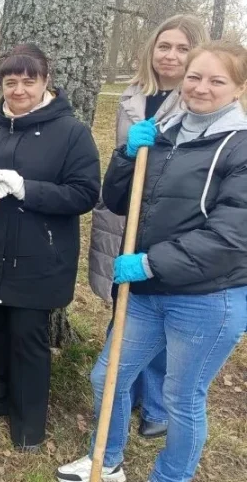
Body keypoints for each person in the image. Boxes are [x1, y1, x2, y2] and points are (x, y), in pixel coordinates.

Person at [57, 41, 247, 482]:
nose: (201, 87)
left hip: (207, 298)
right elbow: (118, 199)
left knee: (182, 398)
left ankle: (170, 477)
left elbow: (232, 236)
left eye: (217, 81)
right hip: (147, 291)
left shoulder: (240, 148)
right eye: (194, 77)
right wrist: (127, 155)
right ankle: (107, 460)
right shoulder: (163, 133)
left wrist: (150, 263)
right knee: (108, 377)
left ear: (239, 88)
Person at [0, 44, 100, 451]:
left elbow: (85, 193)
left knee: (28, 337)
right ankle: (3, 390)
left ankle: (29, 420)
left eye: (28, 82)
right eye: (10, 82)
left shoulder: (71, 133)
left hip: (38, 257)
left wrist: (26, 189)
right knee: (0, 329)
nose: (18, 90)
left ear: (46, 81)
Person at [87, 14, 208, 440]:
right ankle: (122, 391)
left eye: (182, 48)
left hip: (171, 221)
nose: (170, 56)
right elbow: (121, 158)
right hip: (127, 214)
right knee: (125, 303)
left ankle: (155, 405)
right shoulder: (133, 96)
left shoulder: (198, 100)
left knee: (159, 307)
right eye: (164, 46)